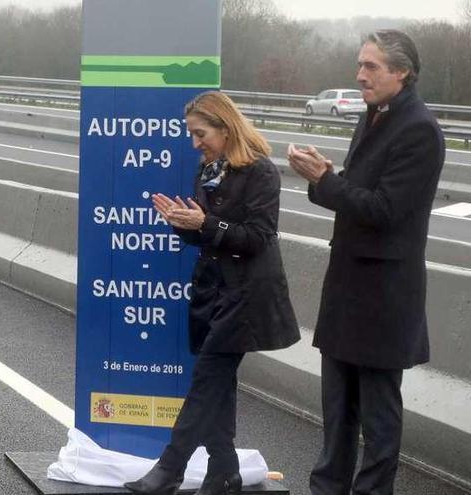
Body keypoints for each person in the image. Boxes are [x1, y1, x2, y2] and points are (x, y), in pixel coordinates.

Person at [288, 30, 445, 495]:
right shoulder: (374, 116)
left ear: (402, 71)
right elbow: (354, 199)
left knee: (377, 417)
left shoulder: (419, 129)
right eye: (359, 64)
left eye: (371, 66)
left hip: (383, 297)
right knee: (337, 410)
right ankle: (327, 488)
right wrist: (323, 180)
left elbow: (384, 210)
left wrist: (327, 180)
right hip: (348, 290)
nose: (359, 75)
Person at [125, 91, 300, 495]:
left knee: (206, 382)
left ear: (226, 127)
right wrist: (181, 223)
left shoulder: (260, 172)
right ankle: (224, 470)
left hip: (246, 295)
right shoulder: (209, 169)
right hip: (211, 291)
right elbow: (203, 237)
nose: (194, 143)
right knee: (218, 385)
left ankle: (170, 468)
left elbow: (258, 238)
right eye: (191, 134)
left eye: (200, 133)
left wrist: (205, 224)